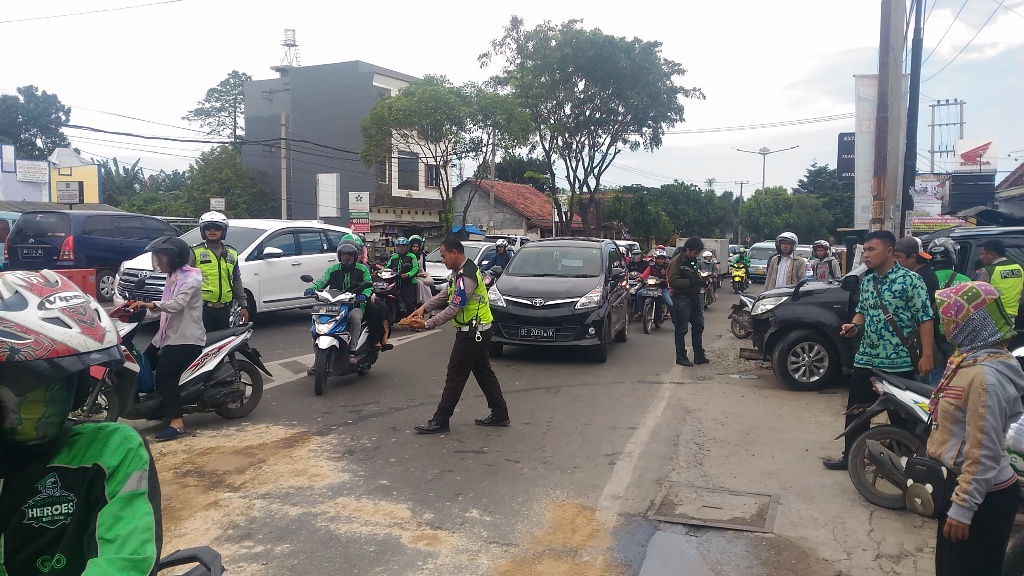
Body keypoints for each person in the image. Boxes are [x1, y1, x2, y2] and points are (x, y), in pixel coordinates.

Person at [0, 270, 162, 575]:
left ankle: (175, 415)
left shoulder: (110, 451)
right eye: (19, 383)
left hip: (183, 334)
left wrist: (154, 307)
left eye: (50, 383)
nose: (39, 400)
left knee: (168, 373)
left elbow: (125, 559)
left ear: (76, 386)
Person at [926, 282, 1023, 576]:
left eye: (949, 317)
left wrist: (963, 508)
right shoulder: (968, 359)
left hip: (984, 497)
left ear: (969, 323)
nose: (942, 322)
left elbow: (983, 451)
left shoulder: (985, 377)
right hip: (966, 487)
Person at [824, 230, 935, 470]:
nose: (865, 255)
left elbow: (926, 318)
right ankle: (851, 457)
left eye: (871, 250)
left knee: (901, 417)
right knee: (856, 412)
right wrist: (854, 325)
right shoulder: (868, 281)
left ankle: (906, 463)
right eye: (864, 251)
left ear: (889, 251)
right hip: (866, 360)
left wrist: (927, 355)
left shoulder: (910, 280)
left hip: (899, 363)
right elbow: (863, 311)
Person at [405, 237, 509, 434]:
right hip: (477, 329)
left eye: (444, 256)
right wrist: (423, 308)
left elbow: (454, 307)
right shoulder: (459, 272)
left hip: (473, 332)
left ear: (455, 253)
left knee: (455, 375)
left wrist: (427, 323)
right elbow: (446, 294)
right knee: (483, 373)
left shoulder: (467, 275)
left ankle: (440, 420)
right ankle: (500, 414)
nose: (442, 260)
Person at [128, 236, 205, 441]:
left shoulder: (191, 279)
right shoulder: (173, 276)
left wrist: (150, 305)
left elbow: (176, 305)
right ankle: (158, 405)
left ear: (175, 258)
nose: (159, 262)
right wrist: (137, 310)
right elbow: (164, 309)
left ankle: (177, 422)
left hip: (186, 338)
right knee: (142, 364)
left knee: (164, 374)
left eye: (162, 258)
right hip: (166, 335)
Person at [304, 239, 374, 371]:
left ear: (354, 256)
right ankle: (317, 359)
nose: (346, 258)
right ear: (339, 256)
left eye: (349, 255)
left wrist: (364, 295)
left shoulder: (362, 269)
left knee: (355, 318)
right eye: (344, 255)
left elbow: (368, 284)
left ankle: (352, 350)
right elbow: (321, 281)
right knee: (317, 322)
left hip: (355, 305)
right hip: (333, 305)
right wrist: (312, 289)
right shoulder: (333, 269)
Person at [896, 236, 944, 385]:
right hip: (927, 341)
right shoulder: (926, 272)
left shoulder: (919, 278)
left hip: (924, 343)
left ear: (912, 258)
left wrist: (927, 353)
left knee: (927, 388)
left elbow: (924, 317)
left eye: (898, 257)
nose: (895, 262)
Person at [191, 211, 249, 332]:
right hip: (201, 308)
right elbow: (183, 280)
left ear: (223, 230)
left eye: (217, 228)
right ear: (203, 231)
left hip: (224, 309)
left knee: (223, 344)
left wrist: (243, 305)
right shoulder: (194, 252)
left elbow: (236, 279)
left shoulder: (231, 253)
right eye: (208, 228)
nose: (212, 231)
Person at [668, 236, 708, 367]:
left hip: (695, 297)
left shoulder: (692, 261)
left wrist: (702, 281)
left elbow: (695, 275)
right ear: (688, 250)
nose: (696, 255)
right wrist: (691, 283)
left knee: (698, 326)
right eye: (695, 252)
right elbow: (673, 281)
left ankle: (699, 355)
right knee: (681, 329)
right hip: (681, 299)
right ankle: (681, 357)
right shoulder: (676, 262)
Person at [973, 239, 1023, 321]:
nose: (980, 257)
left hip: (993, 317)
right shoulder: (1019, 268)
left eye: (982, 254)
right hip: (1011, 317)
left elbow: (977, 296)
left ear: (991, 255)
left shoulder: (988, 271)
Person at [638, 249, 676, 325]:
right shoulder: (651, 267)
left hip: (663, 288)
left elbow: (669, 277)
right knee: (639, 294)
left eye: (662, 259)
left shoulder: (667, 268)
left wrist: (668, 282)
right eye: (659, 259)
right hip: (651, 287)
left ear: (665, 260)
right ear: (656, 259)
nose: (660, 260)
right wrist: (640, 278)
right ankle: (641, 311)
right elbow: (645, 274)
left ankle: (675, 322)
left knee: (670, 304)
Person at [386, 237, 420, 319]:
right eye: (399, 246)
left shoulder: (412, 256)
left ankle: (413, 319)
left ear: (407, 247)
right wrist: (381, 272)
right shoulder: (393, 257)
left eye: (403, 246)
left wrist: (407, 274)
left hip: (409, 283)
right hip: (395, 283)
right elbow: (387, 267)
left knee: (407, 303)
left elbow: (416, 269)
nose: (401, 248)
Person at [409, 235, 433, 307]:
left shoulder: (422, 255)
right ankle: (421, 303)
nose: (415, 248)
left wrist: (424, 274)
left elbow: (423, 267)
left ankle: (430, 307)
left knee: (428, 287)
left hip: (421, 275)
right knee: (420, 284)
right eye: (414, 246)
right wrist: (417, 275)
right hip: (413, 276)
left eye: (417, 246)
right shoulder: (409, 256)